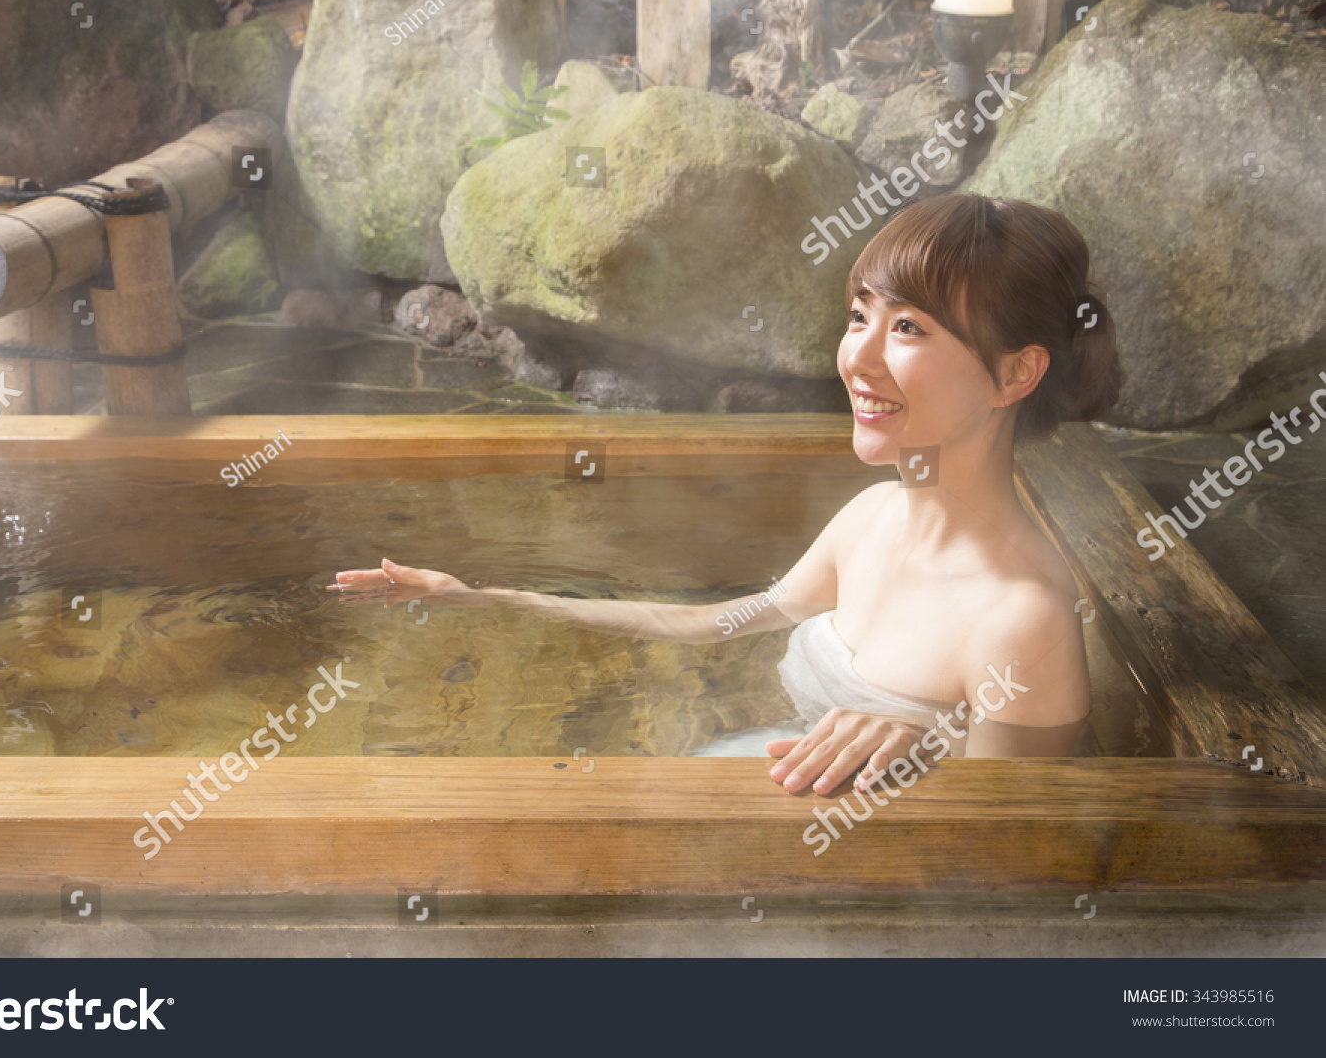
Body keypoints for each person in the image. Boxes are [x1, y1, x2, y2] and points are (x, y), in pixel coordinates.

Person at [329, 194, 1124, 798]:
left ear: (1016, 372)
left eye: (909, 328)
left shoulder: (1023, 620)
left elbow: (1009, 879)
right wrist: (487, 599)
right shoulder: (873, 519)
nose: (858, 358)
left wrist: (927, 754)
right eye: (859, 317)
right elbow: (719, 622)